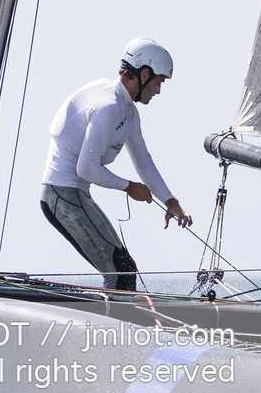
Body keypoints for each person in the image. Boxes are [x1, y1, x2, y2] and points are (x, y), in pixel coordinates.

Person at [39, 37, 192, 291]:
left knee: (123, 270)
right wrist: (129, 187)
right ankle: (109, 331)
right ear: (144, 74)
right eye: (158, 82)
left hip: (75, 195)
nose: (158, 91)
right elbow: (86, 168)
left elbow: (144, 163)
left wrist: (171, 202)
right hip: (60, 194)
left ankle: (114, 324)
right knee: (121, 272)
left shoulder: (128, 111)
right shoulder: (108, 106)